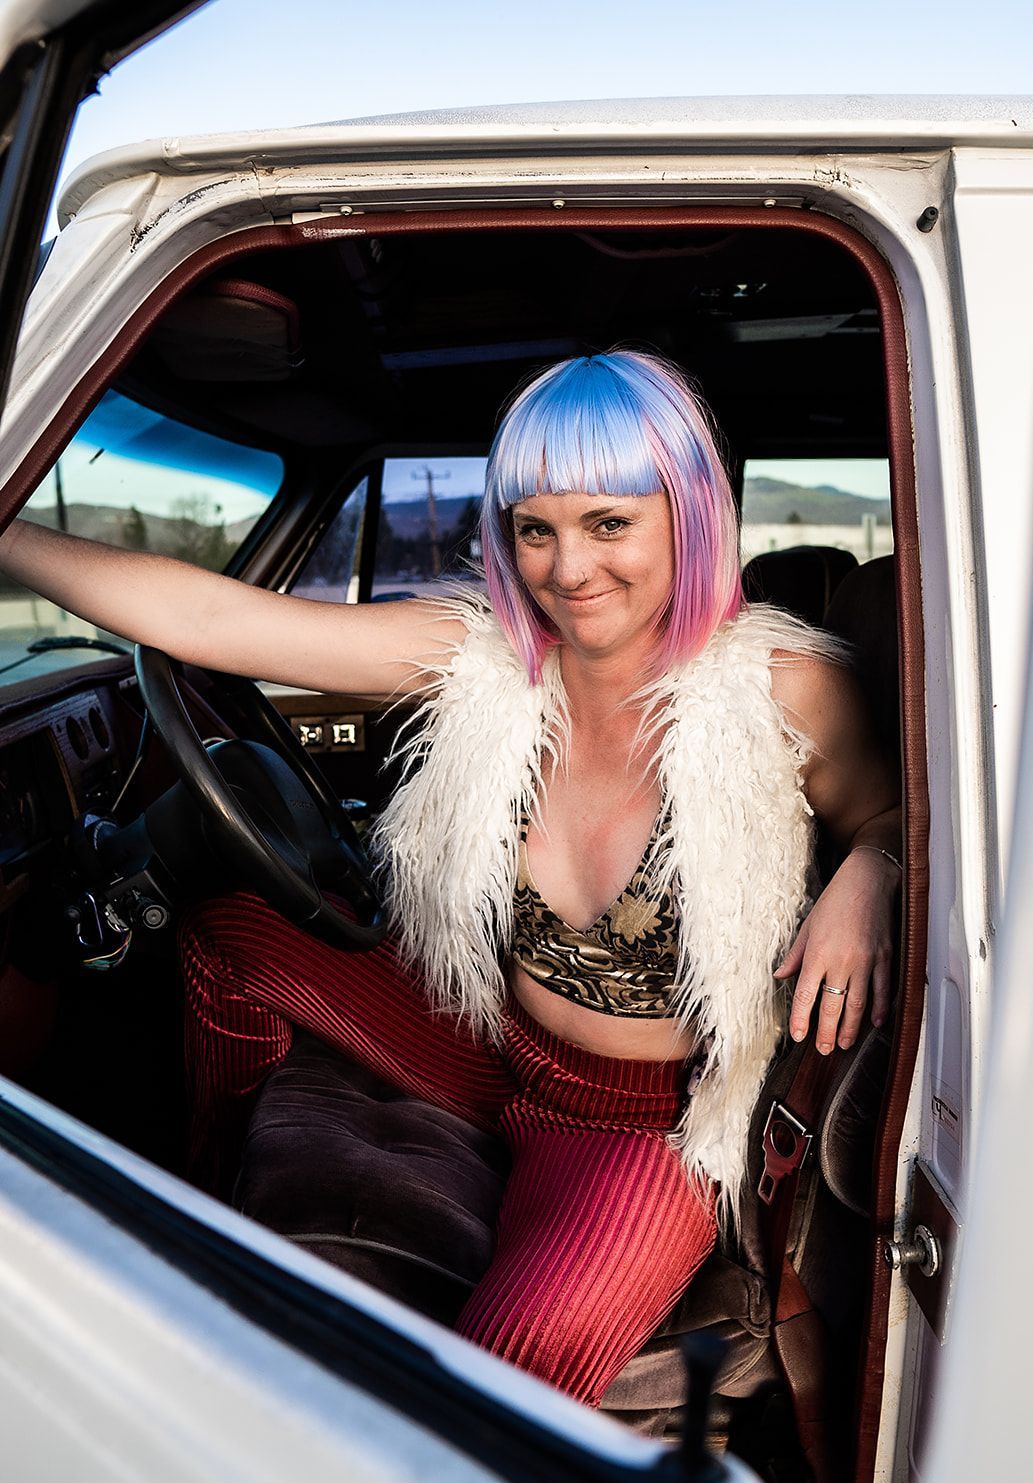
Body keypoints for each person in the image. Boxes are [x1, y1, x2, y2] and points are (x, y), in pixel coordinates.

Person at [0, 350, 901, 1408]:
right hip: (492, 1053)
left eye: (609, 522)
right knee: (229, 929)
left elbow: (891, 814)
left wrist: (870, 869)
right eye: (535, 527)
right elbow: (212, 623)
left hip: (652, 1127)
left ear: (689, 515)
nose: (567, 569)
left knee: (486, 1397)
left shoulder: (785, 690)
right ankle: (213, 1212)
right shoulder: (481, 655)